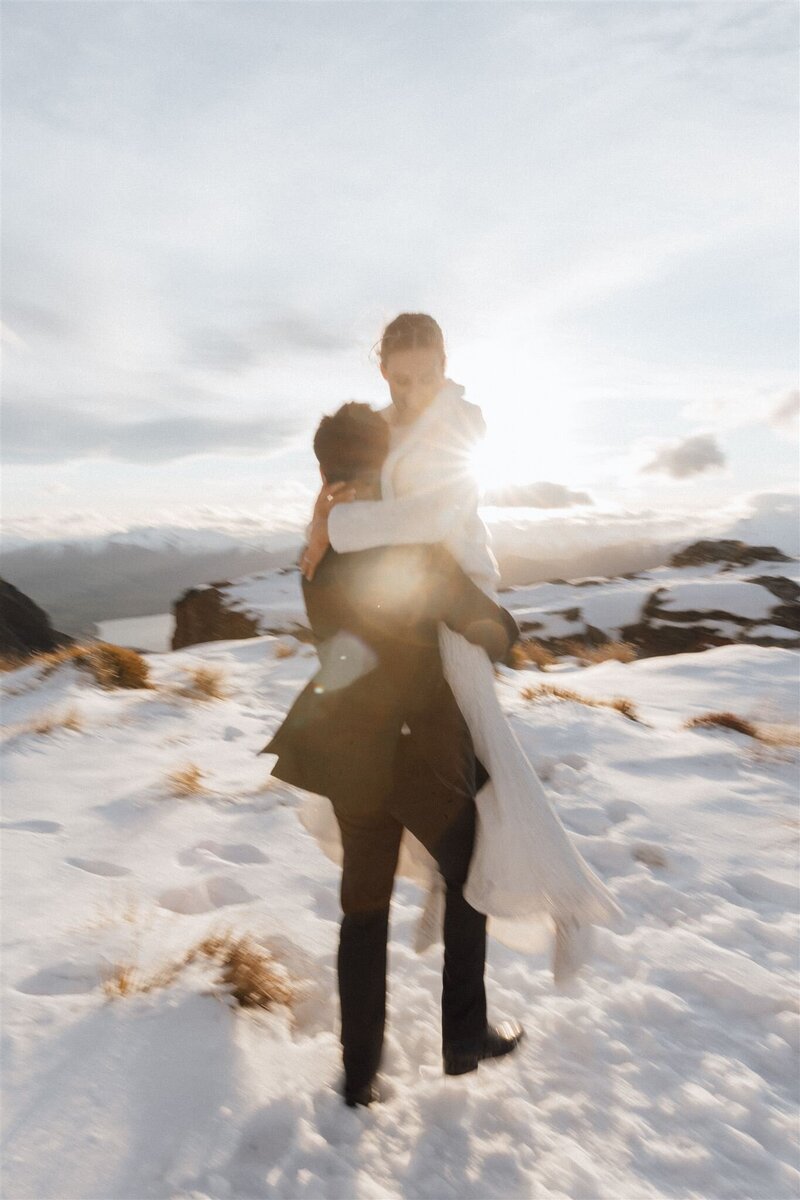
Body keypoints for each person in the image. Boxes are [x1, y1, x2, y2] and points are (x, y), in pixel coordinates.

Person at [301, 312, 622, 985]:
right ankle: (448, 893)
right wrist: (318, 523)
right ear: (383, 369)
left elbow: (429, 520)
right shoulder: (378, 425)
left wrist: (339, 525)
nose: (416, 388)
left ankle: (563, 899)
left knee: (485, 770)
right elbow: (346, 493)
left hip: (451, 612)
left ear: (446, 366)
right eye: (402, 376)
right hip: (399, 611)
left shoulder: (462, 424)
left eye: (428, 374)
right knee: (433, 780)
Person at [260, 401, 524, 1108]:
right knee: (469, 877)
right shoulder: (414, 548)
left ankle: (359, 1073)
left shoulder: (315, 556)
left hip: (346, 750)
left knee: (363, 907)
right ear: (386, 465)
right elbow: (488, 629)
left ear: (324, 471)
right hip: (419, 749)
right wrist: (503, 623)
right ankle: (465, 1036)